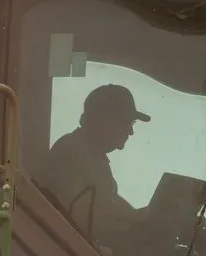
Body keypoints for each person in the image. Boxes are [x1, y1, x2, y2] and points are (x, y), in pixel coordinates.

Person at [38, 83, 150, 247]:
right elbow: (84, 219)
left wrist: (142, 217)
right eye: (126, 123)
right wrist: (135, 220)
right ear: (100, 119)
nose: (130, 132)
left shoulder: (89, 154)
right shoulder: (72, 153)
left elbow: (109, 202)